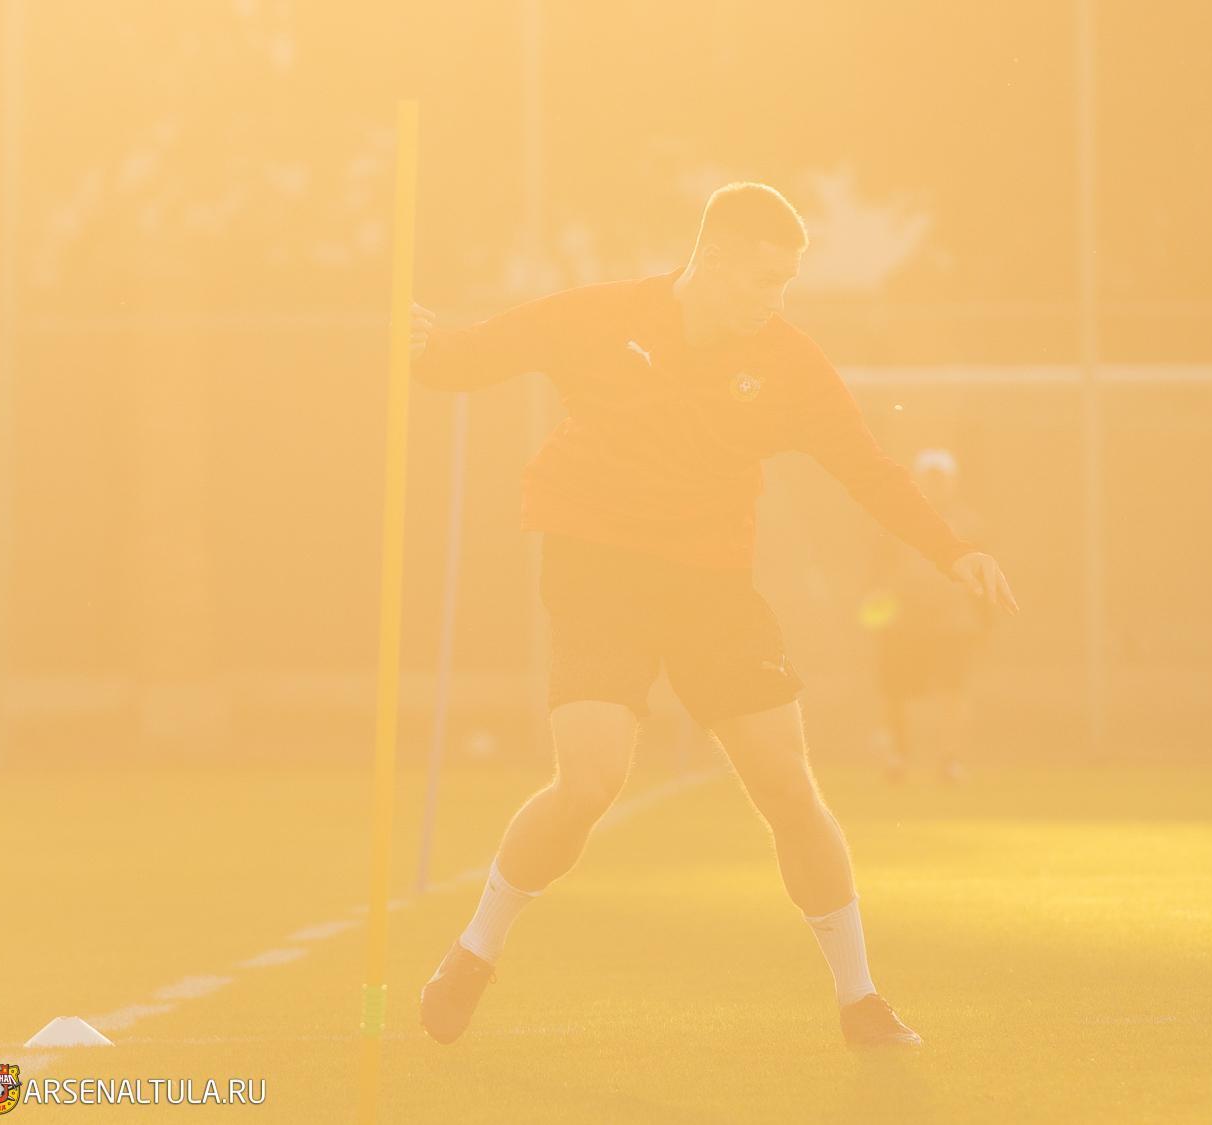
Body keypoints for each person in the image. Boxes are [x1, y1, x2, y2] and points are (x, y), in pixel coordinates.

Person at [406, 183, 1020, 1049]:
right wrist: (419, 347)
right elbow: (466, 358)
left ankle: (860, 1001)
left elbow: (867, 467)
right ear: (714, 258)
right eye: (765, 280)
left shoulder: (788, 362)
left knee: (788, 787)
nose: (776, 301)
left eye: (787, 283)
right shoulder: (599, 316)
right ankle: (475, 952)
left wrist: (952, 551)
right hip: (597, 570)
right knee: (589, 783)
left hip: (712, 586)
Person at [864, 448, 994, 782]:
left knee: (953, 691)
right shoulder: (895, 519)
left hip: (953, 624)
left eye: (942, 479)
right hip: (903, 624)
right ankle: (898, 758)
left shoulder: (970, 525)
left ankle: (949, 760)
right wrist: (880, 614)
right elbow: (878, 573)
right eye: (929, 478)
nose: (936, 485)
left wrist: (984, 621)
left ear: (953, 482)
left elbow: (983, 575)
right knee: (896, 692)